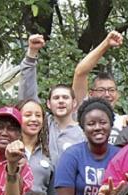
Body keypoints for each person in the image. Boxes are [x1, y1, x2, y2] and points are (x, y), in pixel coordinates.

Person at [19, 34, 84, 165]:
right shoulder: (43, 125)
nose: (60, 101)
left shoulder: (83, 132)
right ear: (48, 104)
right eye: (56, 98)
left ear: (74, 103)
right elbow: (28, 94)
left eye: (65, 97)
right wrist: (31, 54)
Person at [72, 30, 128, 142]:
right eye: (101, 90)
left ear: (117, 94)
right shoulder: (83, 113)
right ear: (91, 94)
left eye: (111, 90)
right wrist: (106, 44)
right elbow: (80, 73)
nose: (107, 94)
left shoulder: (124, 122)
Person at [14, 97, 53, 195]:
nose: (34, 119)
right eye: (28, 115)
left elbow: (53, 194)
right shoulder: (9, 149)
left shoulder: (49, 152)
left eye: (38, 115)